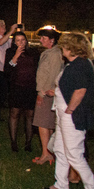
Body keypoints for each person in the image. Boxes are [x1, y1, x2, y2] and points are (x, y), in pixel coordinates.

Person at [45, 32, 94, 189]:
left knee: (74, 154)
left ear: (72, 48)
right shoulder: (72, 64)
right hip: (63, 113)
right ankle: (61, 183)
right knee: (60, 149)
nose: (61, 49)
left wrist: (70, 109)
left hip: (72, 115)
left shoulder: (80, 65)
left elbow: (80, 90)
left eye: (63, 46)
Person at [3, 32, 39, 152]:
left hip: (30, 88)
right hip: (16, 87)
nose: (21, 43)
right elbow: (7, 70)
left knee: (30, 114)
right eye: (18, 40)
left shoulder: (33, 53)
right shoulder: (10, 52)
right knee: (15, 113)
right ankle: (13, 142)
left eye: (22, 40)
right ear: (14, 42)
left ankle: (28, 142)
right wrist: (15, 56)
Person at [33, 28, 62, 165]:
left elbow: (53, 75)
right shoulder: (49, 53)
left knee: (42, 123)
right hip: (47, 92)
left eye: (43, 38)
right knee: (47, 123)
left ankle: (46, 153)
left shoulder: (55, 54)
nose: (40, 40)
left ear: (52, 40)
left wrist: (42, 92)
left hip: (47, 93)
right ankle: (49, 153)